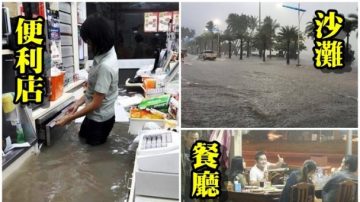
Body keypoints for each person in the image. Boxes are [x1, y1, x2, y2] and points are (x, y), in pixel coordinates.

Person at [56, 14, 118, 146]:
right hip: (94, 115)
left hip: (100, 120)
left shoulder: (105, 66)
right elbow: (93, 89)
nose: (88, 45)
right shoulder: (107, 51)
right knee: (82, 138)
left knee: (93, 155)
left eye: (89, 42)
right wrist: (77, 103)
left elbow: (96, 103)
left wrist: (69, 118)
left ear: (98, 39)